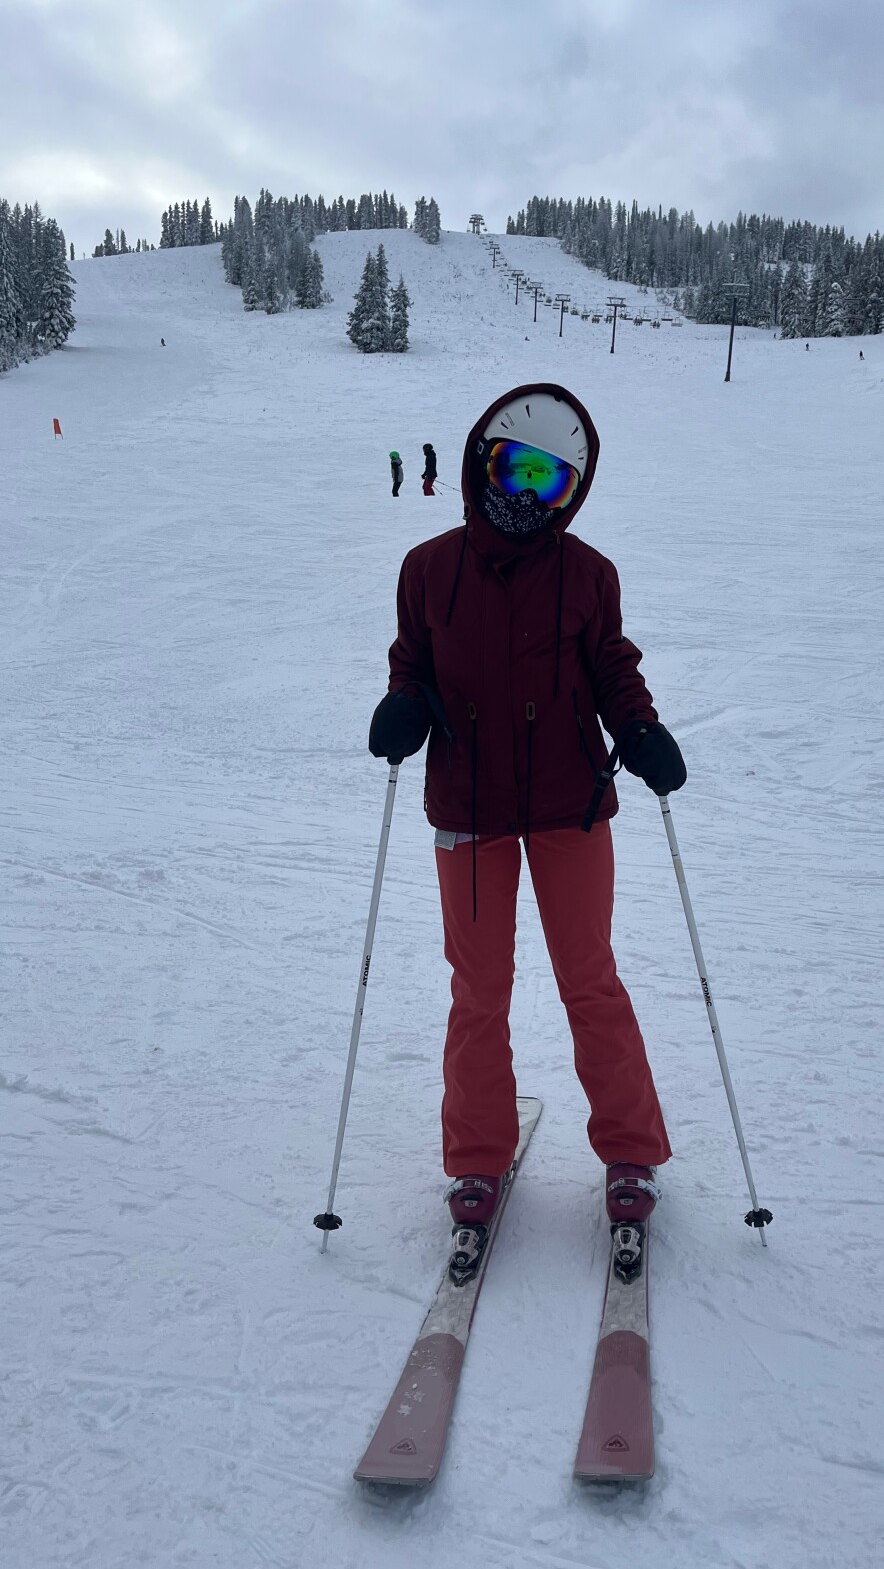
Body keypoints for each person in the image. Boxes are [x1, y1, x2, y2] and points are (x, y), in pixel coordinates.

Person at [368, 383, 685, 1279]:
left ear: (571, 492)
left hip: (568, 806)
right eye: (516, 469)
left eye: (551, 481)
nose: (528, 494)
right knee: (479, 990)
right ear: (483, 461)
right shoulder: (428, 568)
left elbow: (612, 666)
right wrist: (403, 705)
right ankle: (477, 1158)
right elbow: (412, 662)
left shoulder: (588, 574)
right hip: (467, 810)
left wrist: (639, 727)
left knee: (590, 979)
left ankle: (631, 1151)